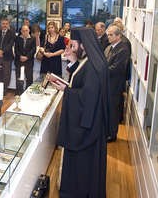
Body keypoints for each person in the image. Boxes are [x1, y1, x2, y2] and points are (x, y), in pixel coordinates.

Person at [51, 27, 110, 198]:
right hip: (92, 122)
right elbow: (82, 78)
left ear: (84, 45)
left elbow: (87, 97)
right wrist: (72, 61)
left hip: (87, 128)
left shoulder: (93, 66)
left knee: (83, 165)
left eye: (74, 45)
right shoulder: (91, 60)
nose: (72, 48)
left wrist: (66, 90)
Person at [104, 25, 130, 142]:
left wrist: (101, 71)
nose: (108, 37)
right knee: (108, 109)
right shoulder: (109, 47)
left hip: (115, 85)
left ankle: (112, 134)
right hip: (107, 83)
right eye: (108, 34)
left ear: (119, 36)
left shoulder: (123, 49)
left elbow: (117, 68)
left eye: (111, 35)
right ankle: (107, 131)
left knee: (113, 110)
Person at [0, 18, 15, 93]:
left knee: (6, 74)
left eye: (6, 24)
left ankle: (4, 89)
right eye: (3, 24)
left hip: (7, 56)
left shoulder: (12, 33)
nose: (4, 25)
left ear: (8, 24)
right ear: (1, 24)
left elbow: (10, 44)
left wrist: (2, 51)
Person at [14, 25, 36, 93]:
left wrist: (27, 57)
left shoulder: (33, 38)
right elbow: (16, 49)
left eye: (26, 30)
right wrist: (20, 56)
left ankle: (28, 92)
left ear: (29, 31)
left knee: (29, 78)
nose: (25, 32)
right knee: (19, 78)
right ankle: (19, 92)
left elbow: (33, 50)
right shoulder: (18, 38)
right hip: (19, 61)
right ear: (21, 31)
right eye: (23, 31)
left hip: (29, 61)